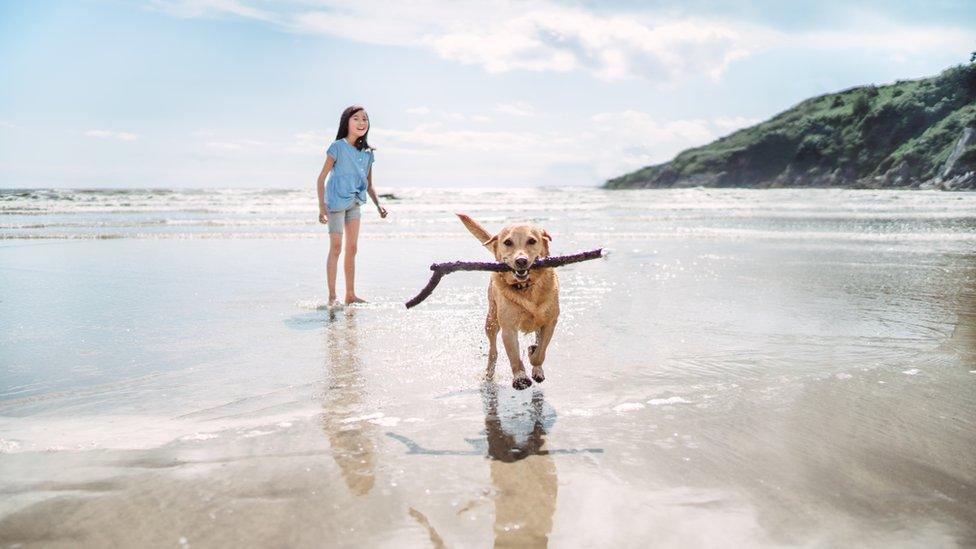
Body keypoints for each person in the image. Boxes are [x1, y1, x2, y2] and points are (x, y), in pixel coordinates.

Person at [316, 105, 388, 306]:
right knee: (336, 248)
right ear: (346, 122)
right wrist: (322, 208)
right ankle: (332, 297)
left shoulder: (367, 153)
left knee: (353, 248)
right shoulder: (337, 146)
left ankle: (350, 294)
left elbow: (370, 184)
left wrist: (378, 205)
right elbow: (321, 179)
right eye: (356, 118)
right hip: (336, 203)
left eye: (364, 119)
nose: (361, 122)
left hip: (355, 203)